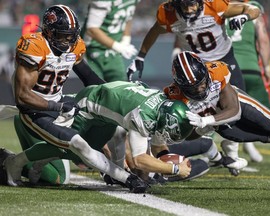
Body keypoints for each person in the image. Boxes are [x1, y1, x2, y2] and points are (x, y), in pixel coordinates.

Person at [2, 4, 149, 193]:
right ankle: (10, 162)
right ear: (48, 31)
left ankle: (112, 170)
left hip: (58, 104)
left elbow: (89, 78)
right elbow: (22, 97)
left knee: (110, 124)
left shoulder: (75, 46)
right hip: (35, 110)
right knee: (61, 172)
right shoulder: (35, 46)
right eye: (63, 35)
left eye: (71, 35)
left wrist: (122, 91)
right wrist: (58, 106)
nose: (68, 40)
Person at [1, 81, 194, 188]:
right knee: (68, 150)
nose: (167, 137)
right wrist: (175, 170)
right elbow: (140, 160)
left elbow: (130, 141)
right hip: (87, 108)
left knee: (116, 136)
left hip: (104, 115)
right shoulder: (143, 116)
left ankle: (34, 162)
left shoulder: (161, 103)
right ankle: (16, 161)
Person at [164, 51, 270, 157]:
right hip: (220, 126)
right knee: (269, 137)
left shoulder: (216, 71)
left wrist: (205, 121)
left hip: (239, 106)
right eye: (193, 88)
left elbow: (235, 110)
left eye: (202, 82)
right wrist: (202, 130)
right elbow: (186, 136)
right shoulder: (175, 97)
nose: (200, 88)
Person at [127, 0, 260, 91]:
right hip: (196, 66)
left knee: (240, 98)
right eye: (185, 5)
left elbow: (252, 8)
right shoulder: (168, 14)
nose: (190, 10)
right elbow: (154, 31)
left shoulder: (213, 5)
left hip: (224, 58)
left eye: (193, 3)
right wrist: (140, 56)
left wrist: (244, 17)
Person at [225, 0, 270, 164]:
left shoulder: (219, 7)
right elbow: (263, 40)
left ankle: (228, 154)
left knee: (228, 112)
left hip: (226, 68)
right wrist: (267, 68)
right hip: (250, 67)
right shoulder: (252, 7)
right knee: (266, 110)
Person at [81, 0, 140, 82]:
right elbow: (91, 29)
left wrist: (126, 40)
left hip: (112, 52)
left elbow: (128, 16)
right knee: (96, 88)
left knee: (121, 88)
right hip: (92, 50)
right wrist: (118, 47)